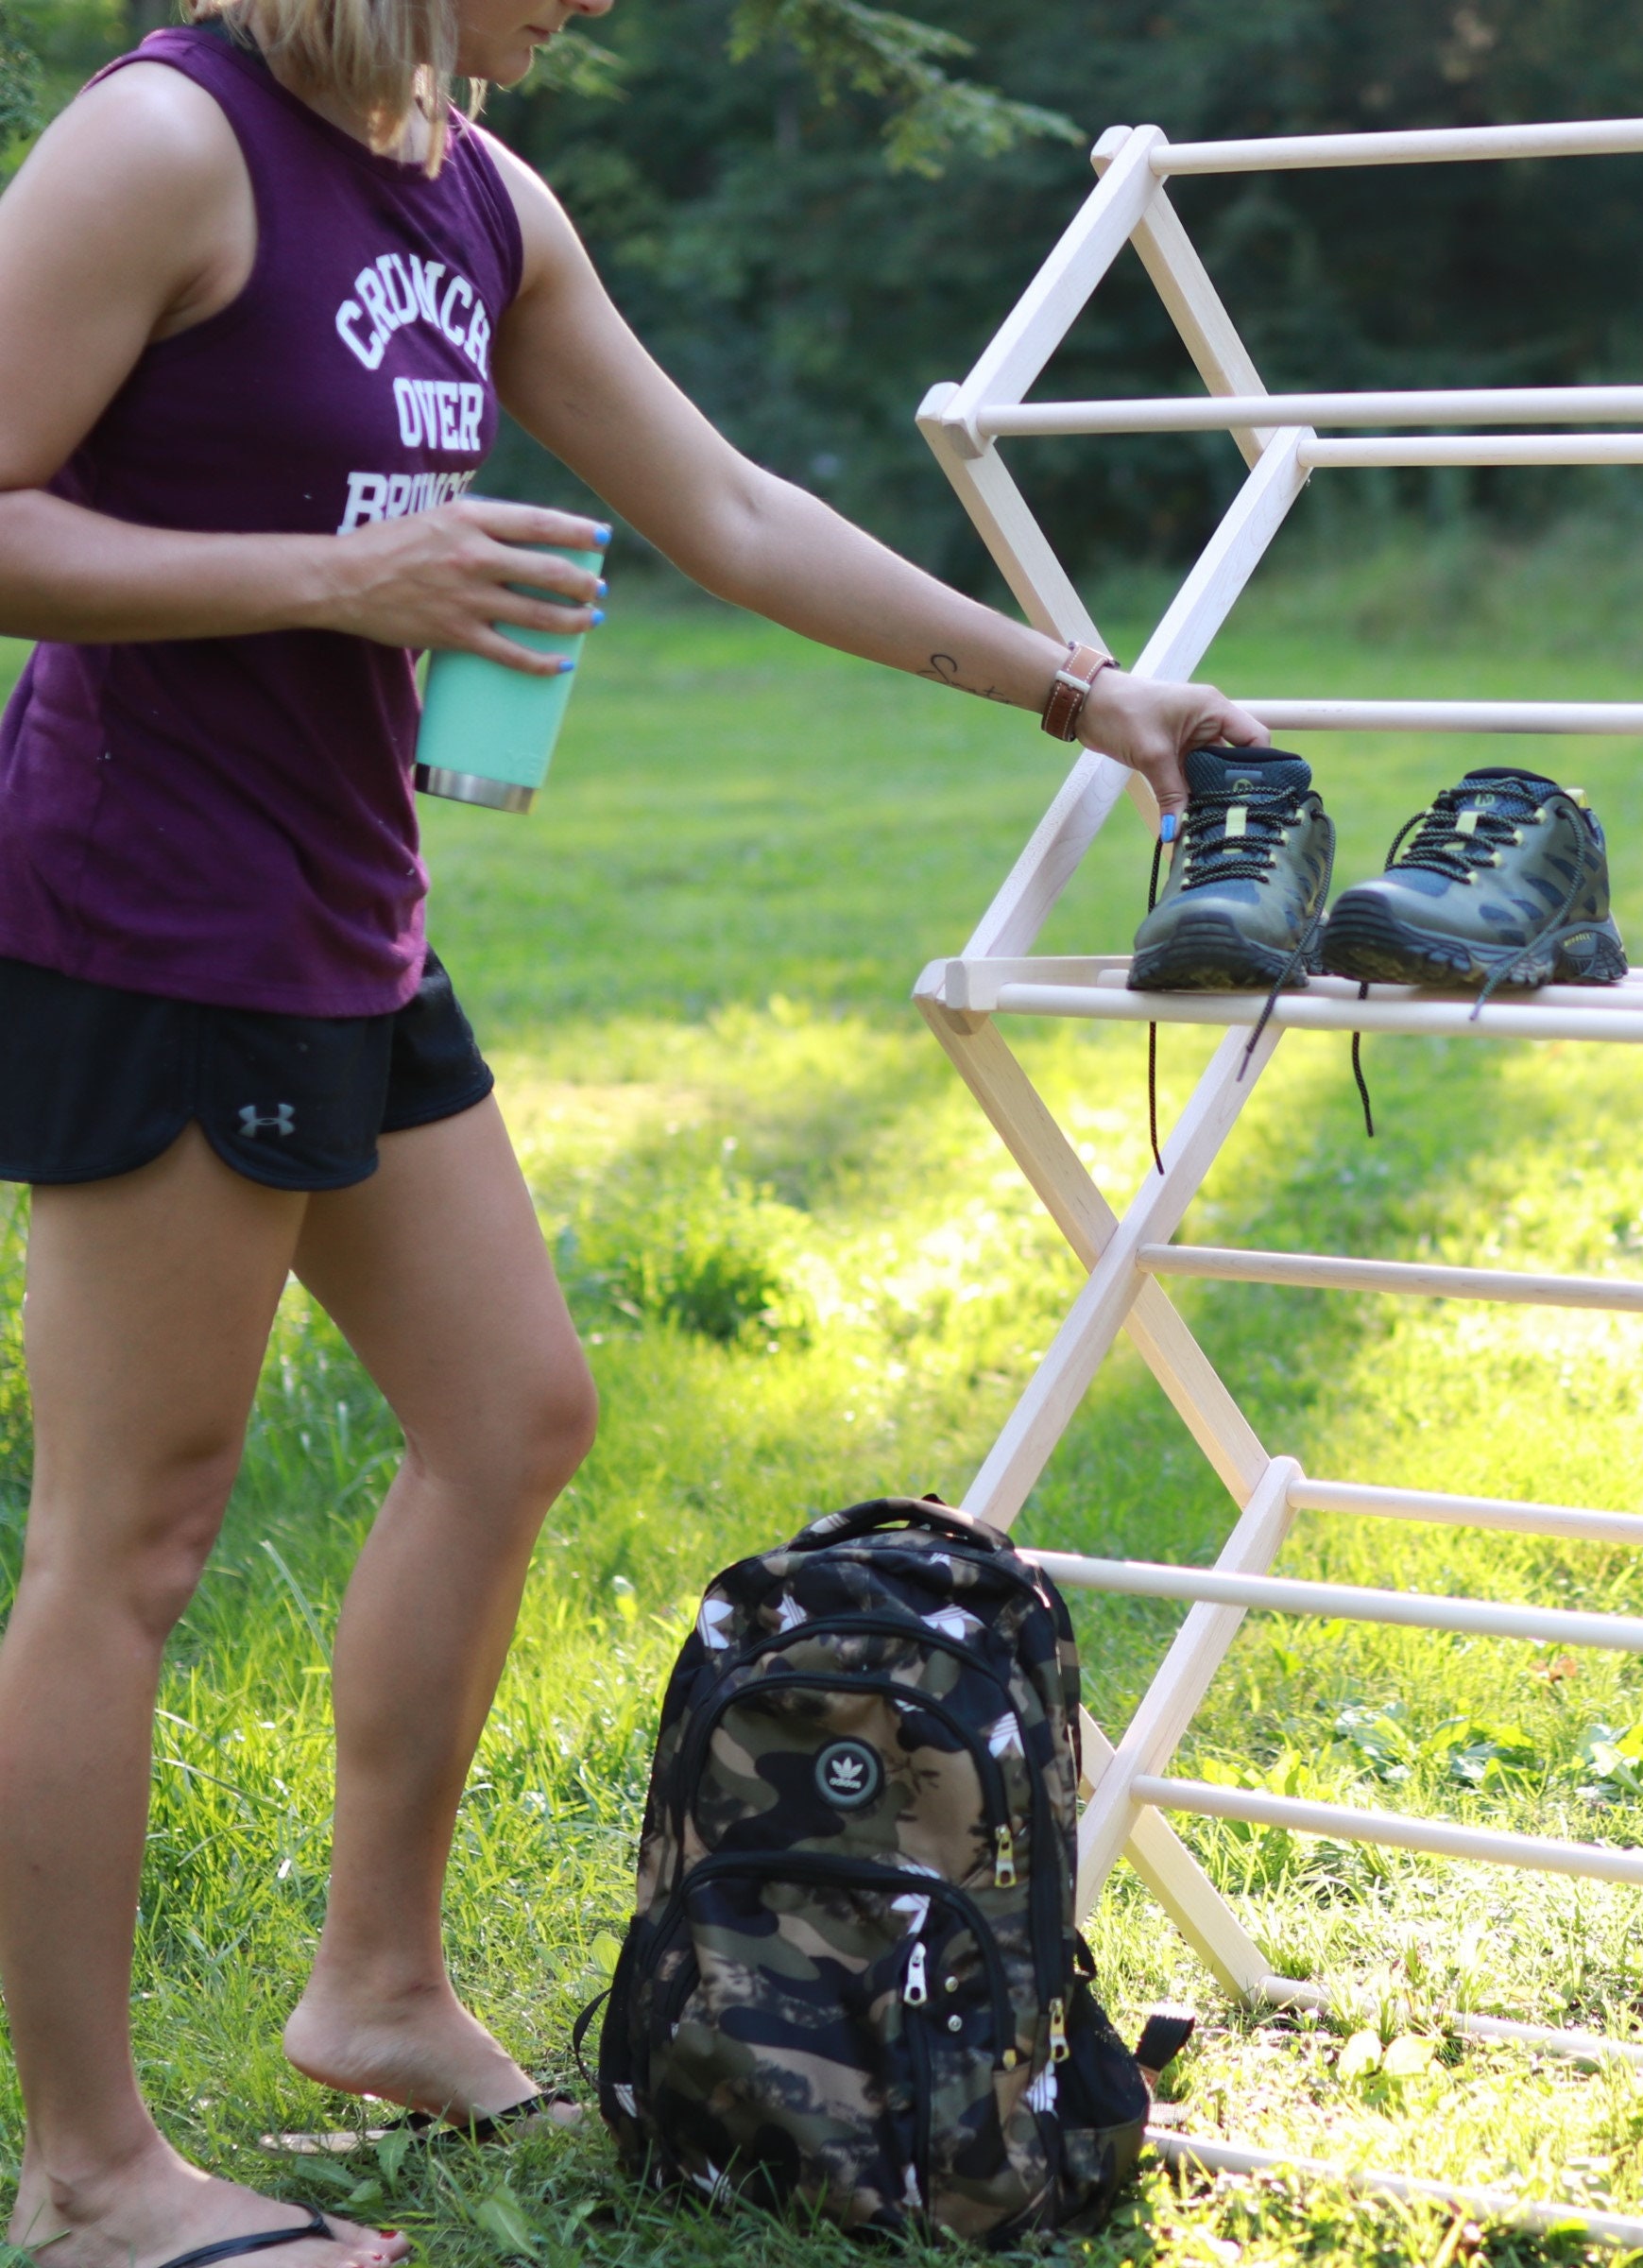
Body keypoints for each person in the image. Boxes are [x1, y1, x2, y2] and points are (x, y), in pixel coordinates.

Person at [0, 0, 1264, 2252]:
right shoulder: (166, 144)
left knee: (509, 1415)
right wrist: (332, 579)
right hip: (153, 922)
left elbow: (736, 511)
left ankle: (377, 1993)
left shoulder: (477, 190)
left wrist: (1082, 691)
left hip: (347, 919)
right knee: (132, 1544)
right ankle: (95, 2177)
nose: (601, 7)